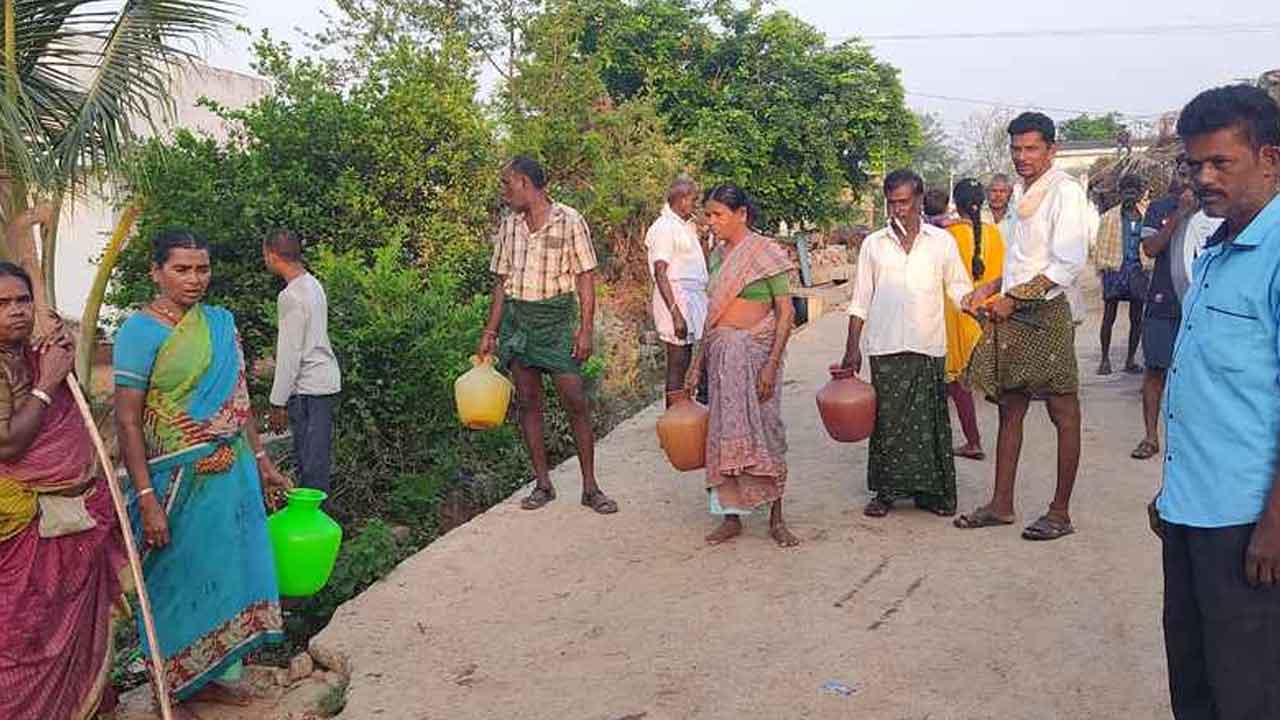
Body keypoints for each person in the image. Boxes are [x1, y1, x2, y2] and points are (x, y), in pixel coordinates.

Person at [114, 228, 292, 718]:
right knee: (178, 577)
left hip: (230, 472)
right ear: (156, 272)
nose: (195, 280)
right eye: (182, 269)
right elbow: (127, 420)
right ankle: (173, 685)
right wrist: (146, 496)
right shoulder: (139, 332)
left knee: (227, 570)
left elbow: (239, 403)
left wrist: (262, 462)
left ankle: (213, 678)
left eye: (202, 269)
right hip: (175, 481)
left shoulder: (218, 323)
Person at [1151, 84, 1280, 720]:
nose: (1202, 177)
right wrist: (1170, 496)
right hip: (1190, 513)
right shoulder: (1217, 250)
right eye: (1193, 164)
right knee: (1195, 678)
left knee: (1248, 691)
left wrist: (1275, 524)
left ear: (1270, 159)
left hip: (1248, 524)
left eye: (1219, 163)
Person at [0, 264, 127, 720]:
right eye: (2, 304)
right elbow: (9, 443)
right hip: (20, 530)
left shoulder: (30, 357)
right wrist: (48, 382)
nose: (15, 311)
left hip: (67, 520)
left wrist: (53, 365)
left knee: (66, 630)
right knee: (20, 639)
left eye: (22, 300)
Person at [958, 112, 1090, 541]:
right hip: (1012, 311)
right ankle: (1001, 504)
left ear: (1052, 150)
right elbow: (1020, 259)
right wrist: (989, 288)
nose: (1022, 156)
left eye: (1031, 148)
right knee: (1010, 407)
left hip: (1047, 313)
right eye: (1016, 149)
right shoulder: (1020, 193)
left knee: (1063, 411)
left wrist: (1012, 299)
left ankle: (1061, 511)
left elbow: (1066, 265)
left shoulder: (1064, 193)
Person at [476, 156, 617, 514]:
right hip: (518, 321)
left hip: (555, 321)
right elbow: (501, 282)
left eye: (507, 184)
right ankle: (543, 484)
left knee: (576, 401)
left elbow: (585, 277)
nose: (505, 192)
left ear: (524, 182)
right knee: (527, 402)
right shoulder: (509, 226)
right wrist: (491, 331)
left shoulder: (569, 220)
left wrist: (585, 329)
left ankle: (590, 487)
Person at [839, 170, 973, 518]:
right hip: (884, 346)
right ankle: (886, 492)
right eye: (893, 202)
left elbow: (958, 288)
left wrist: (981, 310)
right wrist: (851, 347)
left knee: (930, 422)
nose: (898, 209)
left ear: (919, 200)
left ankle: (932, 493)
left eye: (905, 202)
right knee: (887, 421)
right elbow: (860, 299)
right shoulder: (874, 244)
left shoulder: (941, 242)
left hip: (928, 344)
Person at [686, 185, 798, 546]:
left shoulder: (766, 252)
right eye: (708, 215)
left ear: (742, 215)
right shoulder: (716, 257)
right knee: (722, 434)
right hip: (722, 360)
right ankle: (730, 517)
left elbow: (786, 313)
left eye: (718, 214)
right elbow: (711, 316)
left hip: (760, 355)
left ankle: (777, 518)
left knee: (768, 430)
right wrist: (695, 363)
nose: (711, 222)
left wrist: (770, 364)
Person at [1129, 169, 1221, 461]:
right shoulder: (1159, 208)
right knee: (1155, 370)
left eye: (1191, 171)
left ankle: (1196, 439)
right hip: (1163, 301)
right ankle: (1150, 436)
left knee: (1202, 375)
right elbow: (1150, 248)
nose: (1186, 179)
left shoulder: (1217, 207)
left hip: (1206, 306)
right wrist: (1180, 213)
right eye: (1181, 172)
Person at [263, 230, 342, 494]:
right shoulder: (312, 284)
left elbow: (290, 354)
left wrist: (277, 402)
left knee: (310, 465)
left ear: (272, 256)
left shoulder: (290, 296)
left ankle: (316, 525)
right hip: (324, 382)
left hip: (309, 388)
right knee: (316, 460)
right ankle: (319, 521)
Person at [944, 178, 1005, 461]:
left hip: (956, 315)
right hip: (988, 317)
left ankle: (972, 441)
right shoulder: (994, 234)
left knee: (956, 382)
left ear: (955, 204)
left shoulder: (948, 236)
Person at [646, 177, 707, 404]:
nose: (695, 204)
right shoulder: (664, 228)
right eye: (693, 199)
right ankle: (674, 425)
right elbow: (660, 271)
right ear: (681, 200)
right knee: (677, 366)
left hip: (691, 298)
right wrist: (675, 313)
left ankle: (685, 421)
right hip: (676, 300)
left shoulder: (685, 226)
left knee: (687, 362)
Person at [1092, 174, 1154, 375]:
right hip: (1115, 270)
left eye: (1133, 191)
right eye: (1126, 191)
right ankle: (1104, 360)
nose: (1129, 195)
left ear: (1139, 193)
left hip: (1138, 270)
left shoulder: (1148, 215)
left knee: (1136, 318)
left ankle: (1130, 360)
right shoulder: (1109, 217)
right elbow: (1100, 245)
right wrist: (1102, 270)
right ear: (1119, 193)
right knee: (1108, 316)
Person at [982, 173, 1016, 242]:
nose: (998, 195)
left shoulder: (1017, 216)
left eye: (1003, 191)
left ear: (1010, 193)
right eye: (994, 191)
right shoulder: (978, 215)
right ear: (986, 192)